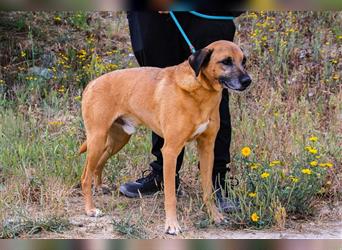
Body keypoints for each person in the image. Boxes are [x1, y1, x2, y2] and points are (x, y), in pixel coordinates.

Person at [119, 11, 241, 212]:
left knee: (215, 83)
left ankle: (217, 182)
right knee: (161, 90)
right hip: (153, 16)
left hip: (205, 12)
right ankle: (161, 175)